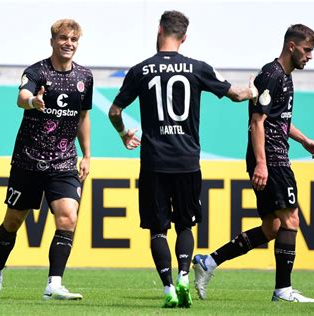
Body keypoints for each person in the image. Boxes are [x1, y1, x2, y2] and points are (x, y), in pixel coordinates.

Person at [108, 10, 258, 308]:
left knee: (157, 230)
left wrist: (125, 133)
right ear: (185, 37)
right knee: (186, 227)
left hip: (153, 161)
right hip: (187, 160)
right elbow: (237, 95)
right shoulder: (198, 68)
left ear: (159, 29)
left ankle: (168, 290)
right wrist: (253, 89)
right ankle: (185, 277)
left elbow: (114, 111)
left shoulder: (140, 70)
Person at [193, 24, 314, 303]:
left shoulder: (286, 78)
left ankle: (209, 262)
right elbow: (257, 123)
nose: (310, 56)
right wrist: (262, 164)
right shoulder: (271, 75)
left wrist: (304, 140)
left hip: (274, 156)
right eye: (307, 50)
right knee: (291, 221)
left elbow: (279, 120)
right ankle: (283, 290)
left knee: (272, 228)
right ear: (292, 46)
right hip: (272, 160)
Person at [0, 19, 93, 300]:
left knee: (68, 217)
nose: (69, 43)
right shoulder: (36, 71)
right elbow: (21, 97)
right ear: (53, 41)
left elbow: (83, 117)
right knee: (12, 222)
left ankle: (53, 284)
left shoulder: (85, 78)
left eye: (74, 40)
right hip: (28, 161)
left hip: (65, 162)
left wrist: (87, 155)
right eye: (64, 38)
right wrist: (33, 102)